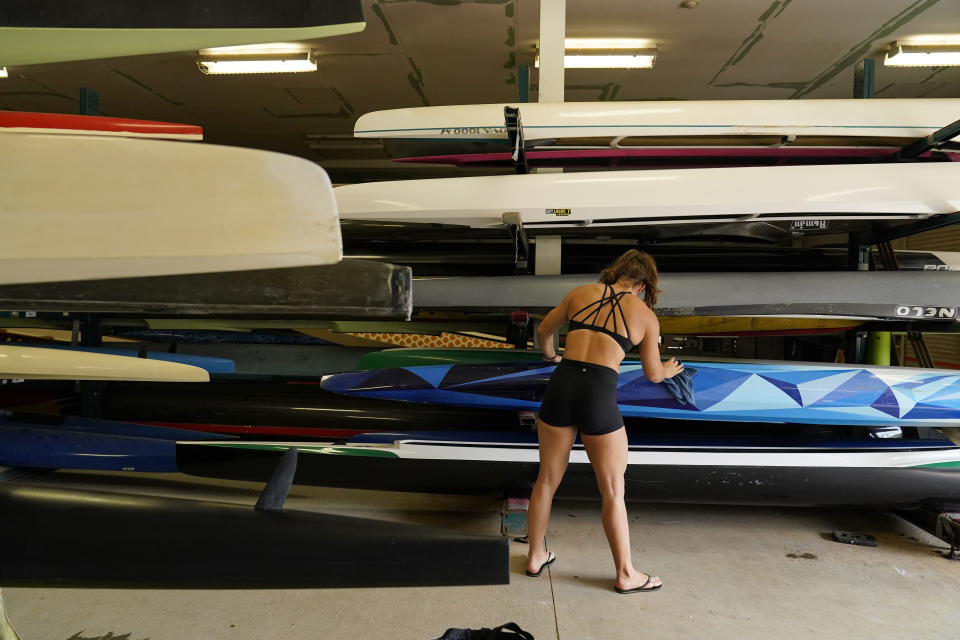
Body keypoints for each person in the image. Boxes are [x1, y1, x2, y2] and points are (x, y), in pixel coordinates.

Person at [525, 249, 683, 594]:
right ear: (643, 286)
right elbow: (653, 374)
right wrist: (670, 370)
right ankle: (625, 574)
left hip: (562, 385)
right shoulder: (645, 316)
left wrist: (553, 357)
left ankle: (536, 555)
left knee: (547, 480)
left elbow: (543, 331)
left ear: (614, 271)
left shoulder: (580, 293)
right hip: (598, 394)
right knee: (612, 490)